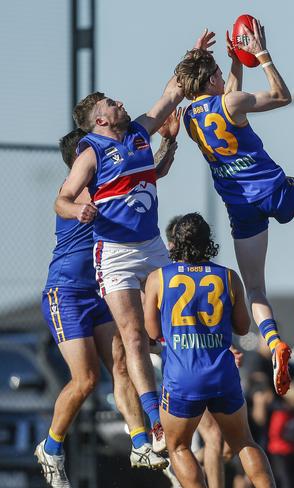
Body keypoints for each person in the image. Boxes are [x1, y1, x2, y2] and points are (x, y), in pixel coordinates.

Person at [175, 19, 294, 396]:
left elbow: (226, 101)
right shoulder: (231, 102)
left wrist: (231, 62)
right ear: (210, 79)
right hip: (275, 190)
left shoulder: (188, 118)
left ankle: (275, 342)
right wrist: (260, 56)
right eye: (216, 72)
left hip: (241, 207)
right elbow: (281, 95)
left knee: (257, 287)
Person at [54, 29, 216, 452]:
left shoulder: (141, 132)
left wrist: (193, 56)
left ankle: (200, 383)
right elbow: (62, 200)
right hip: (117, 255)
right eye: (111, 103)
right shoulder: (90, 152)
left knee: (177, 317)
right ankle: (154, 423)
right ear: (100, 119)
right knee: (133, 337)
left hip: (151, 246)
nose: (120, 102)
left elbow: (172, 93)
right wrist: (78, 210)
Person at [35, 129, 176, 487]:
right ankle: (51, 448)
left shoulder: (110, 181)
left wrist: (168, 143)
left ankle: (141, 442)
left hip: (100, 290)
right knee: (86, 380)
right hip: (66, 292)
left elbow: (150, 173)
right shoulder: (79, 190)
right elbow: (69, 199)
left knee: (122, 362)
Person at [143, 212, 275, 488]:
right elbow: (241, 327)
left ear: (175, 243)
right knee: (243, 441)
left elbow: (152, 333)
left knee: (178, 446)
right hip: (222, 374)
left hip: (183, 377)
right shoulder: (228, 277)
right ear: (208, 242)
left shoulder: (158, 278)